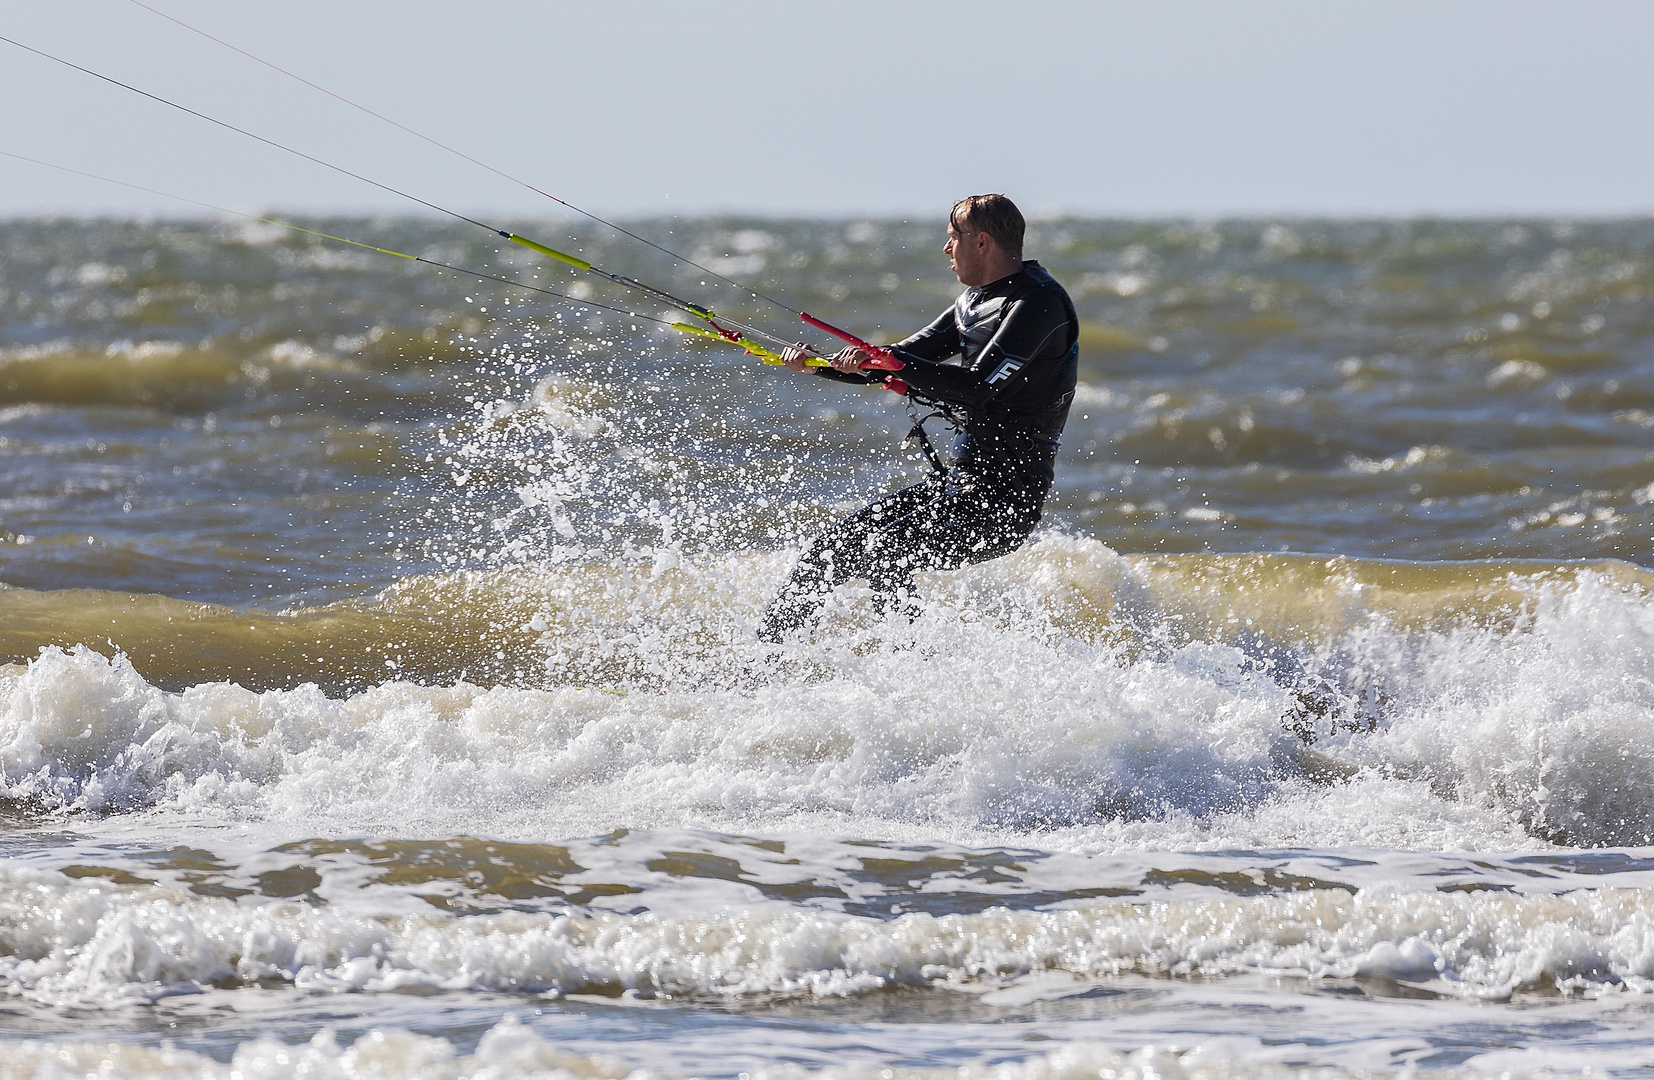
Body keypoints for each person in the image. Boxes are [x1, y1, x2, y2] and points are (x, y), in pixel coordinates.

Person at [758, 193, 1079, 643]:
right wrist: (820, 365)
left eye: (953, 237)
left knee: (886, 553)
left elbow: (977, 386)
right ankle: (764, 660)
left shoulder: (1038, 304)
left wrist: (892, 364)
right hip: (960, 485)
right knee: (831, 548)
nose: (946, 249)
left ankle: (910, 667)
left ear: (982, 242)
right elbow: (903, 359)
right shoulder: (973, 302)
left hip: (1006, 501)